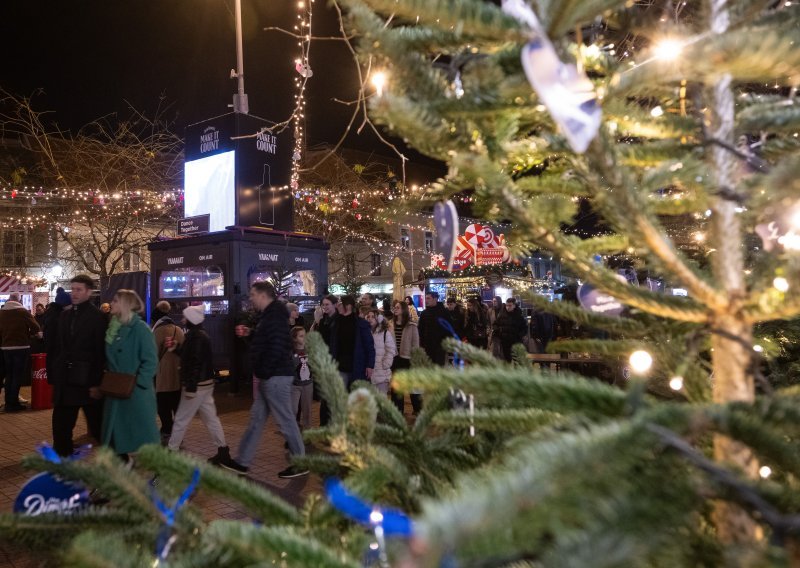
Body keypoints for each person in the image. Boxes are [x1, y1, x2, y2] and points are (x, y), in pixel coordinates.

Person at [224, 281, 308, 478]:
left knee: (285, 420)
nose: (250, 298)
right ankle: (242, 462)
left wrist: (264, 370)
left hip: (275, 376)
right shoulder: (271, 315)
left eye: (253, 294)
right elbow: (269, 342)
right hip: (270, 376)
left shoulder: (274, 316)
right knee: (257, 419)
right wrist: (250, 334)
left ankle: (301, 462)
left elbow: (278, 346)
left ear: (263, 295)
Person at [167, 305, 235, 468]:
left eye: (185, 317)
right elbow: (191, 357)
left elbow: (194, 362)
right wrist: (176, 348)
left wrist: (190, 387)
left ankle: (171, 453)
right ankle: (223, 451)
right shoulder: (199, 335)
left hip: (196, 386)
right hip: (205, 385)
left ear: (191, 320)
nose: (182, 319)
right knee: (211, 419)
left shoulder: (195, 337)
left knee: (181, 420)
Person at [48, 275, 107, 456]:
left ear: (88, 292)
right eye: (72, 289)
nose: (74, 293)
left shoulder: (97, 317)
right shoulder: (65, 315)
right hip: (66, 380)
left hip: (87, 380)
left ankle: (120, 461)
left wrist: (97, 383)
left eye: (78, 289)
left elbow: (100, 352)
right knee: (61, 426)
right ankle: (63, 463)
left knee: (99, 429)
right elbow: (59, 346)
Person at [102, 289, 160, 461]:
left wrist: (138, 383)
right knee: (116, 438)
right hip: (116, 389)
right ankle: (123, 468)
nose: (111, 303)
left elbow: (150, 361)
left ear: (125, 304)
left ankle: (152, 472)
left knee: (138, 438)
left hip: (134, 393)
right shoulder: (114, 327)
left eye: (115, 300)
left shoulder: (140, 329)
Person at [0, 292, 41, 412]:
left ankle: (8, 403)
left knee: (9, 375)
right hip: (21, 347)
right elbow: (36, 327)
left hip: (6, 348)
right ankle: (13, 404)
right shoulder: (23, 312)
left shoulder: (2, 313)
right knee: (17, 376)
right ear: (19, 300)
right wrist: (31, 334)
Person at [151, 300, 184, 443]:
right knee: (176, 403)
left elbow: (153, 354)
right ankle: (177, 432)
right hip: (177, 374)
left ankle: (166, 430)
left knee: (163, 405)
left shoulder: (157, 331)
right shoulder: (179, 329)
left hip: (162, 375)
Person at [330, 295, 375, 389]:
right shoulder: (336, 322)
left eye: (341, 303)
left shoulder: (361, 323)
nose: (338, 305)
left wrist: (370, 365)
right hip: (339, 366)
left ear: (349, 306)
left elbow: (369, 346)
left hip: (358, 366)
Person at [311, 294, 338, 425]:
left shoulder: (337, 320)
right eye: (323, 305)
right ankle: (325, 425)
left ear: (334, 305)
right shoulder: (324, 319)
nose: (325, 307)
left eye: (327, 304)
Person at [390, 300, 421, 413]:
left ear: (404, 309)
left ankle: (418, 409)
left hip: (408, 358)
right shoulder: (390, 325)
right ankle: (397, 411)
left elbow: (415, 344)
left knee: (412, 386)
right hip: (395, 358)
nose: (395, 309)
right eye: (395, 307)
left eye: (398, 307)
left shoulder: (412, 325)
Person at [364, 307, 396, 395]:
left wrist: (386, 364)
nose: (370, 319)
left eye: (373, 317)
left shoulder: (385, 333)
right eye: (368, 317)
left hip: (381, 371)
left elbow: (391, 349)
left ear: (379, 318)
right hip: (369, 372)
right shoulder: (365, 332)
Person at [290, 326, 313, 430]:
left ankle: (307, 430)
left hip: (307, 384)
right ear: (295, 338)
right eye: (301, 336)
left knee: (307, 409)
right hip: (295, 385)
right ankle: (293, 431)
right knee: (293, 409)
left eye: (305, 335)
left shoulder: (310, 349)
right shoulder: (291, 352)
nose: (304, 338)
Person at [417, 291, 449, 366]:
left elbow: (448, 328)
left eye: (428, 298)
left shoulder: (444, 312)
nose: (426, 300)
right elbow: (421, 329)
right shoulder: (424, 313)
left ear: (435, 299)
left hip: (440, 345)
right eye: (426, 298)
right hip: (428, 345)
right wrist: (422, 343)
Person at [493, 298, 528, 362]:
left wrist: (519, 336)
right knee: (507, 359)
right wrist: (499, 332)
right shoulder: (502, 315)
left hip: (516, 341)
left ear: (514, 306)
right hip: (505, 341)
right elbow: (495, 324)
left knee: (517, 360)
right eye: (507, 305)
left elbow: (525, 328)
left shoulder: (519, 316)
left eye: (510, 305)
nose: (508, 307)